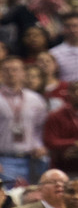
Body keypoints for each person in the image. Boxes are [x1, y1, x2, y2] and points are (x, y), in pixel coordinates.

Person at [0, 56, 49, 184]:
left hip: (32, 159)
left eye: (15, 70)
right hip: (4, 158)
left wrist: (40, 146)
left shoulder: (36, 99)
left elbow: (41, 128)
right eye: (6, 70)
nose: (11, 73)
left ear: (23, 73)